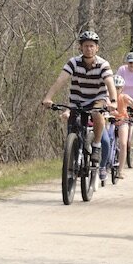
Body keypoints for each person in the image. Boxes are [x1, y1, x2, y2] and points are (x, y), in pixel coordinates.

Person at [40, 28, 118, 165]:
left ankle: (96, 146)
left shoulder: (103, 64)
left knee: (96, 112)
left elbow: (110, 83)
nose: (89, 49)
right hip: (77, 100)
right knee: (72, 126)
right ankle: (73, 153)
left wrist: (113, 101)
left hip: (96, 98)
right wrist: (48, 98)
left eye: (92, 46)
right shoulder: (73, 62)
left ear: (97, 48)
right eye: (86, 46)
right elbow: (60, 80)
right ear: (80, 47)